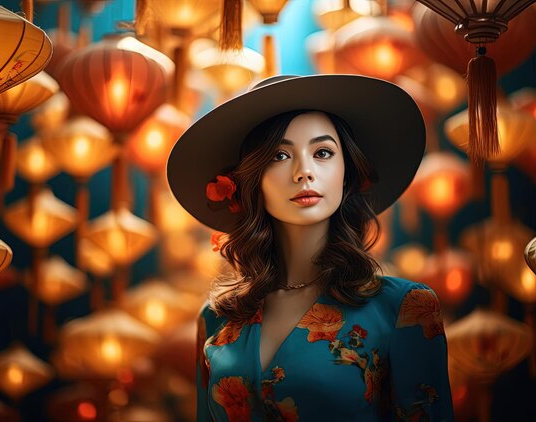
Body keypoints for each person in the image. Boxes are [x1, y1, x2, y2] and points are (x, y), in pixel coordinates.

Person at [167, 75, 454, 421]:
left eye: (322, 153)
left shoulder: (403, 310)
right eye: (279, 155)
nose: (304, 172)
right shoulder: (217, 318)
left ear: (346, 173)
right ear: (251, 180)